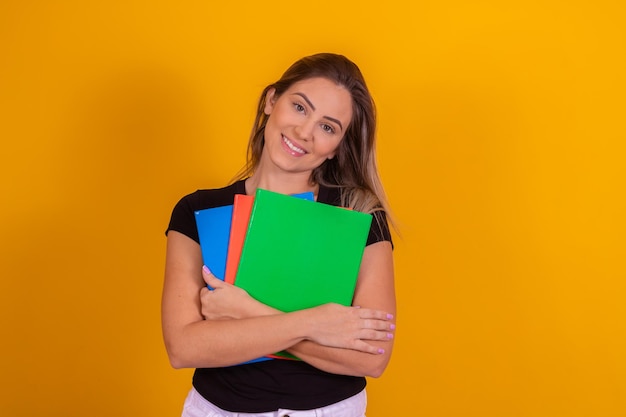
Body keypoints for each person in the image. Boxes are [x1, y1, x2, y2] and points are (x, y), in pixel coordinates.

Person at [162, 53, 396, 417]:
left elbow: (370, 357)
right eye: (300, 108)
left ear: (337, 147)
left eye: (328, 127)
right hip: (221, 410)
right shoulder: (198, 211)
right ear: (272, 100)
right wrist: (317, 324)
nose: (305, 132)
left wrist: (246, 311)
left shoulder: (359, 214)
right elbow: (183, 347)